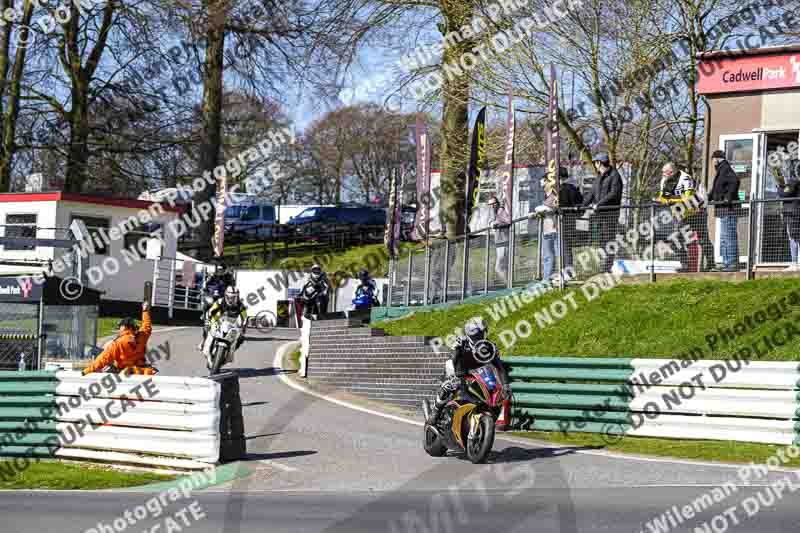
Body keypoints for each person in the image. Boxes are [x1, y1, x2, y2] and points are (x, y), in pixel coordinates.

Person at [425, 317, 512, 431]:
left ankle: (494, 419)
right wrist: (457, 374)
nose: (479, 337)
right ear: (469, 334)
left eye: (481, 334)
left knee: (500, 392)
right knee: (449, 385)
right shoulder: (460, 342)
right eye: (477, 335)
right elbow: (454, 358)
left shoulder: (490, 346)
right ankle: (436, 410)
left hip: (478, 373)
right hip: (458, 369)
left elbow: (499, 367)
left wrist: (505, 385)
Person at [656, 162, 715, 272]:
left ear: (672, 172)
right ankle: (685, 265)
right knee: (674, 239)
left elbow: (687, 199)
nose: (663, 174)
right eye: (662, 172)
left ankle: (711, 264)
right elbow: (662, 198)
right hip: (681, 215)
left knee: (703, 238)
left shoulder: (685, 179)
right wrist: (674, 199)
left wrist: (671, 199)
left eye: (666, 172)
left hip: (696, 213)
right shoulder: (664, 180)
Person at [533, 167, 583, 282]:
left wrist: (551, 209)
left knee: (563, 249)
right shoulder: (564, 189)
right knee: (562, 249)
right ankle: (562, 274)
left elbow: (562, 205)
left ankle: (568, 273)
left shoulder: (565, 189)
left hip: (563, 223)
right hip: (558, 224)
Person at [83, 302, 156, 375]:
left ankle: (131, 370)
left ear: (125, 327)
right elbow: (147, 325)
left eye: (120, 326)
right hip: (139, 365)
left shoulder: (118, 342)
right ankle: (141, 370)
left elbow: (103, 358)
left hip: (122, 369)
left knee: (106, 368)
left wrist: (87, 371)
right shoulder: (142, 335)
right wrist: (145, 311)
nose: (119, 329)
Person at [581, 153, 623, 273]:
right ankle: (605, 265)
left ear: (599, 162)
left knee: (609, 239)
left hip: (610, 214)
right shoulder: (599, 177)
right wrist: (582, 206)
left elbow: (614, 193)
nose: (594, 164)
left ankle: (608, 267)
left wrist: (598, 204)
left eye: (595, 162)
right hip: (599, 214)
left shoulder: (615, 175)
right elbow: (592, 193)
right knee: (601, 240)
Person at [708, 150, 741, 271]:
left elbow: (735, 181)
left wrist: (728, 198)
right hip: (723, 209)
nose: (712, 163)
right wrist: (707, 198)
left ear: (716, 158)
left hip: (729, 209)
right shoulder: (721, 170)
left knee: (729, 236)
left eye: (713, 160)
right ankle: (726, 262)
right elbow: (715, 190)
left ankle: (732, 263)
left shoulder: (725, 168)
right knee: (723, 238)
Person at [201, 285, 248, 352]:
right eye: (229, 297)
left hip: (232, 324)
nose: (230, 299)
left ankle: (231, 350)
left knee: (241, 338)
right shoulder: (220, 301)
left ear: (237, 296)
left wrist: (243, 328)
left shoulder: (241, 305)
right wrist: (208, 320)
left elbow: (245, 317)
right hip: (219, 320)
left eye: (233, 297)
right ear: (225, 295)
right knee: (206, 327)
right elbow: (211, 310)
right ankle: (204, 342)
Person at [773, 163, 800, 271]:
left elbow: (784, 194)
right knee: (795, 238)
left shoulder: (794, 182)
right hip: (794, 212)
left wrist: (779, 186)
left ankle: (795, 263)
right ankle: (796, 262)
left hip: (793, 214)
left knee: (794, 238)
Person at [487, 195, 511, 283]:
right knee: (503, 267)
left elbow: (508, 221)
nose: (492, 206)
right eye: (490, 204)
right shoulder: (494, 213)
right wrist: (492, 223)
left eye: (493, 203)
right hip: (498, 242)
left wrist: (497, 225)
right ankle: (509, 283)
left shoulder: (501, 211)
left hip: (504, 241)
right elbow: (491, 222)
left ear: (497, 203)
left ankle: (508, 284)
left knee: (498, 268)